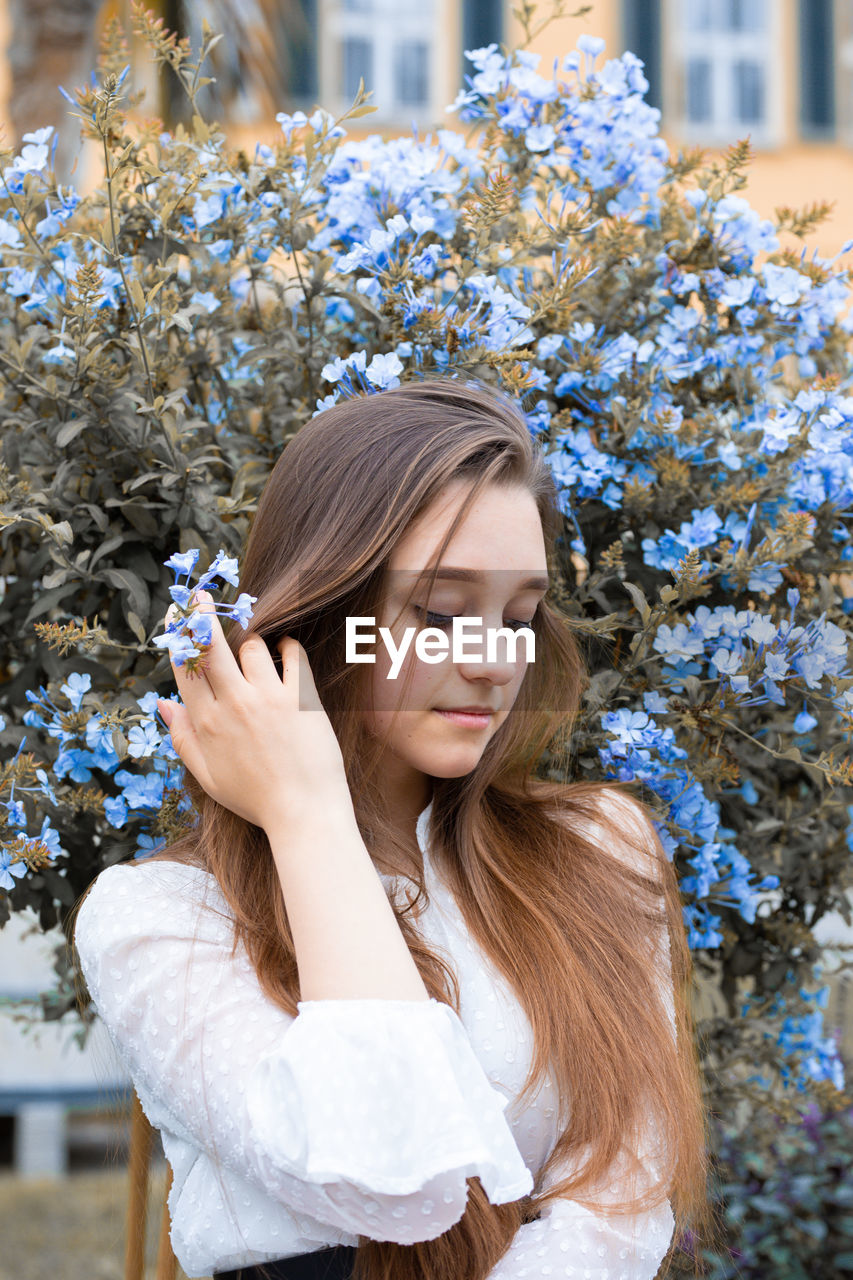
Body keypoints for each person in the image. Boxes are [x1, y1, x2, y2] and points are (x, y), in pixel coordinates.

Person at [71, 378, 716, 1280]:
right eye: (442, 614)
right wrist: (307, 813)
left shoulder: (600, 848)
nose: (495, 659)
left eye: (520, 616)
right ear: (326, 608)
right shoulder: (164, 921)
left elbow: (618, 1203)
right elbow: (391, 1182)